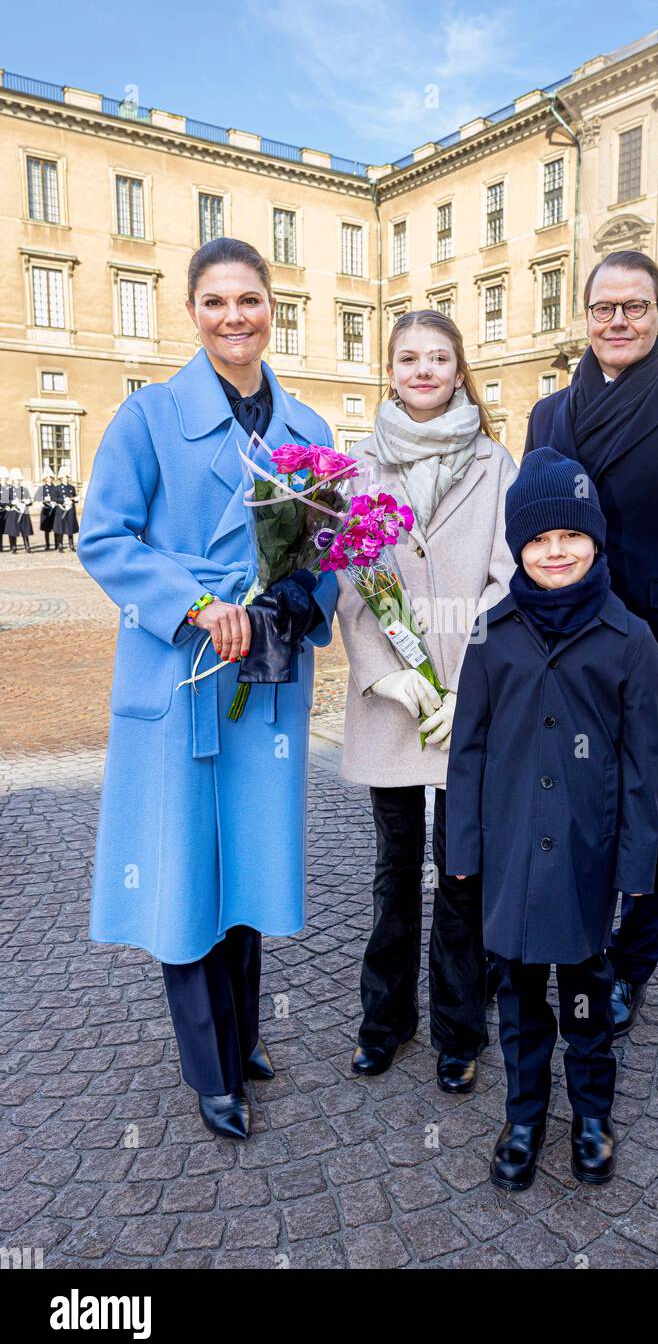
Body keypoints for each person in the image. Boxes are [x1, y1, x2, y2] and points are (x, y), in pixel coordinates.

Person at [78, 237, 338, 1141]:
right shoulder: (146, 417)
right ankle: (210, 1067)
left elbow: (327, 547)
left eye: (252, 300)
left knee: (251, 861)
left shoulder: (309, 430)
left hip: (264, 677)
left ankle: (245, 1034)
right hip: (180, 675)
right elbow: (105, 539)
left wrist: (306, 594)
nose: (236, 316)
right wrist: (193, 603)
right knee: (189, 866)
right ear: (192, 311)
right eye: (218, 301)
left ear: (274, 309)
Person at [523, 250, 658, 1038]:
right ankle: (568, 941)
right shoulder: (549, 416)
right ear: (584, 315)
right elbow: (529, 538)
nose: (618, 321)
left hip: (655, 652)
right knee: (566, 799)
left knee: (648, 814)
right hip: (561, 646)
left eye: (635, 307)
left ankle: (632, 960)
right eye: (603, 308)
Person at [446, 448, 658, 1190]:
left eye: (570, 535)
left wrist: (636, 865)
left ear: (595, 539)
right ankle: (525, 1114)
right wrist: (462, 849)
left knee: (585, 995)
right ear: (519, 550)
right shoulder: (490, 633)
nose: (556, 551)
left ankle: (593, 1116)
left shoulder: (629, 640)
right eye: (538, 540)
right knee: (519, 999)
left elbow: (643, 768)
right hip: (508, 855)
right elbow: (467, 752)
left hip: (583, 855)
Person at [336, 310, 517, 1092]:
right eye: (408, 357)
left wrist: (471, 684)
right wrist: (384, 673)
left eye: (437, 357)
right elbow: (345, 574)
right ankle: (384, 1020)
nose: (422, 370)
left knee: (462, 871)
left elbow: (513, 576)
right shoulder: (356, 469)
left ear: (457, 367)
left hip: (467, 705)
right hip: (394, 704)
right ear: (389, 369)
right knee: (394, 865)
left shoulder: (496, 464)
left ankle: (458, 1025)